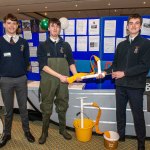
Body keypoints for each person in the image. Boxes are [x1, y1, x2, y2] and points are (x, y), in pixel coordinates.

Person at [99, 14, 150, 150]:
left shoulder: (146, 44)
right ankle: (121, 135)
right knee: (120, 112)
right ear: (127, 26)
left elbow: (144, 66)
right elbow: (115, 65)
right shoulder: (121, 45)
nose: (133, 26)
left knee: (138, 116)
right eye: (131, 23)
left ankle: (141, 144)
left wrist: (124, 73)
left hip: (135, 86)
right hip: (120, 86)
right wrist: (105, 72)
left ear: (140, 26)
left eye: (136, 23)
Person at [37, 18, 79, 144]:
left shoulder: (65, 45)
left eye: (57, 26)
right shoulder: (42, 46)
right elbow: (43, 66)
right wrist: (59, 76)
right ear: (48, 28)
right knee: (46, 106)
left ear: (60, 28)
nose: (55, 28)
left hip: (63, 81)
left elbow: (71, 62)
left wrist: (76, 75)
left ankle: (62, 129)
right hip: (48, 80)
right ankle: (44, 132)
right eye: (52, 26)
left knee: (63, 104)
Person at [0, 13, 35, 148]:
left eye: (14, 23)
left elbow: (27, 61)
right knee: (8, 110)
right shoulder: (0, 41)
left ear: (17, 26)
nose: (11, 26)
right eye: (9, 23)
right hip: (5, 80)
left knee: (23, 109)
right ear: (4, 25)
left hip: (21, 79)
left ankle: (27, 131)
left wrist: (23, 74)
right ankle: (7, 134)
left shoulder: (23, 42)